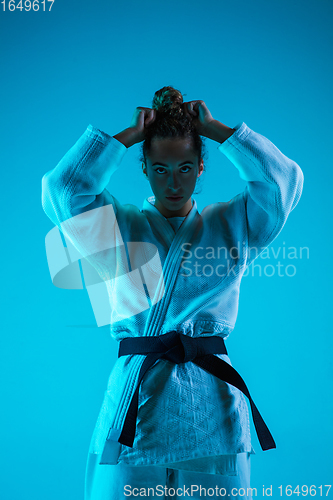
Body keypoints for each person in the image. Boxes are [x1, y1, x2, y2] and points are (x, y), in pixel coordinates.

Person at [41, 86, 304, 499]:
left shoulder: (232, 226)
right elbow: (63, 190)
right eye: (160, 168)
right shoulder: (117, 229)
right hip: (137, 405)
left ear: (202, 167)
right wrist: (125, 137)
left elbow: (282, 183)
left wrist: (219, 131)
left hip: (212, 407)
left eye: (185, 167)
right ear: (143, 167)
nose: (173, 182)